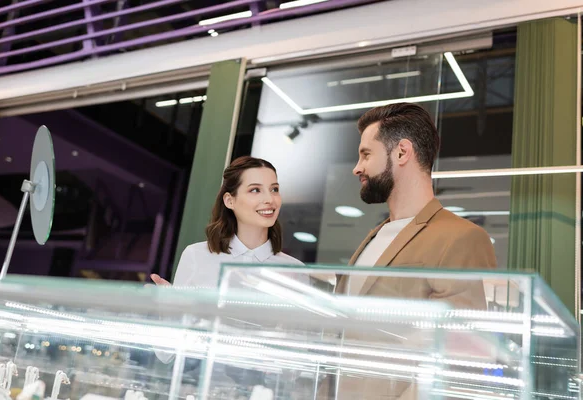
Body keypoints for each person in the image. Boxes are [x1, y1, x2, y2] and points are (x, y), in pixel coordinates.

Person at [323, 103, 498, 400]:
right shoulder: (373, 238)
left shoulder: (462, 238)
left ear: (402, 152)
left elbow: (463, 358)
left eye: (366, 154)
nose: (357, 167)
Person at [150, 155, 303, 289]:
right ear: (230, 201)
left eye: (274, 189)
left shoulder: (295, 270)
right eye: (255, 190)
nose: (270, 199)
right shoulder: (196, 256)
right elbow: (182, 317)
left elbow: (300, 323)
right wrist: (170, 306)